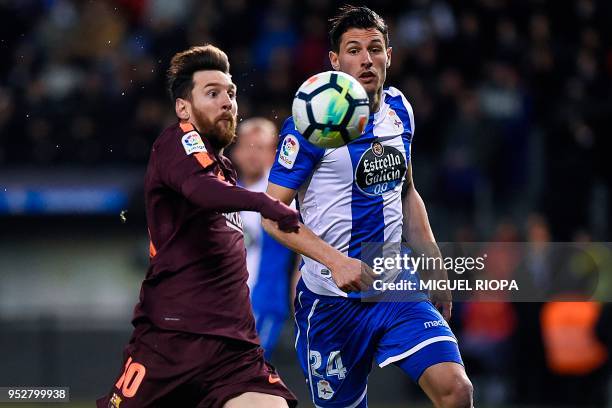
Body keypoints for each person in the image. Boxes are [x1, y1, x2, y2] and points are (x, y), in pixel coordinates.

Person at [262, 6, 473, 408]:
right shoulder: (312, 122)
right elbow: (272, 214)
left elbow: (407, 192)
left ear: (389, 56)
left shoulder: (400, 110)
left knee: (456, 390)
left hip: (395, 287)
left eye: (375, 49)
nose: (366, 59)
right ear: (335, 61)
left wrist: (434, 264)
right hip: (329, 304)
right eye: (354, 50)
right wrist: (336, 261)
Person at [97, 45, 299, 408]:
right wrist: (269, 205)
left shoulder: (224, 170)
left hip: (234, 350)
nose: (227, 101)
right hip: (173, 339)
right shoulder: (176, 142)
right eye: (213, 93)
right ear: (183, 108)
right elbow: (201, 191)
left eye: (231, 93)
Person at [232, 117, 297, 358]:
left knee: (245, 368)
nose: (253, 155)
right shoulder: (223, 192)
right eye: (248, 146)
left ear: (273, 153)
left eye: (260, 148)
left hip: (265, 300)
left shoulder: (282, 195)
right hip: (226, 301)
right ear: (236, 151)